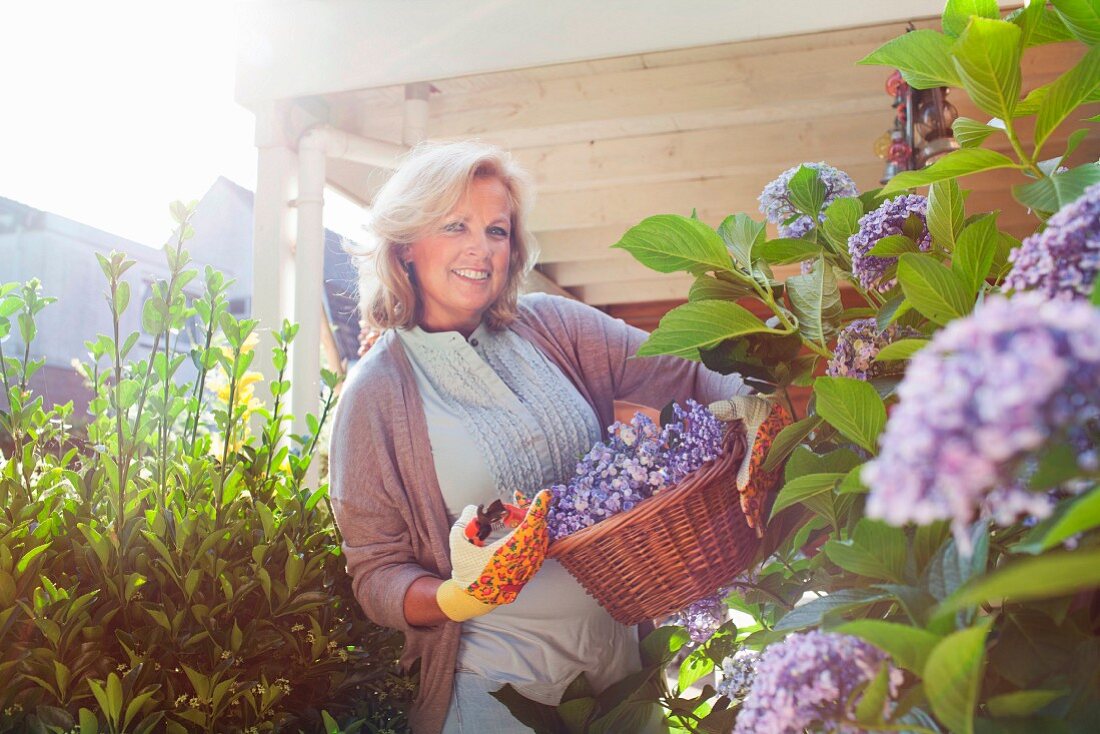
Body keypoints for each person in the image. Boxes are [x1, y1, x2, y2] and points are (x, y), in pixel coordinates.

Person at [329, 141, 757, 734]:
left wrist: (765, 403)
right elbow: (375, 573)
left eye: (497, 230)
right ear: (405, 246)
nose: (481, 248)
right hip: (496, 691)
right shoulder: (376, 396)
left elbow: (686, 371)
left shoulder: (554, 326)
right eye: (456, 226)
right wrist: (459, 596)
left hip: (620, 677)